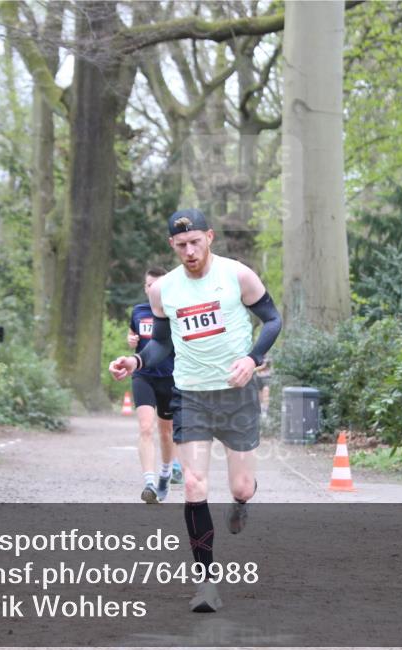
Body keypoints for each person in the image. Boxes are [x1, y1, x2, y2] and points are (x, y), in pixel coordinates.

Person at [109, 208, 282, 613]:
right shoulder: (163, 290)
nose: (189, 251)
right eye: (181, 245)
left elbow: (272, 320)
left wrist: (253, 358)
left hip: (236, 393)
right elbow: (162, 345)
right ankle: (206, 583)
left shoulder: (237, 275)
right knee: (193, 485)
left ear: (210, 237)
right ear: (172, 245)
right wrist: (136, 362)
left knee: (240, 486)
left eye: (195, 242)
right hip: (190, 394)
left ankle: (242, 502)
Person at [127, 267, 181, 504]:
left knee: (166, 431)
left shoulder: (175, 311)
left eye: (157, 285)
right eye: (149, 285)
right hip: (143, 375)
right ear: (145, 287)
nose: (153, 289)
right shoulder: (138, 311)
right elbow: (133, 335)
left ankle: (166, 473)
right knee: (146, 427)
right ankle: (149, 482)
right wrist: (131, 340)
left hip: (169, 377)